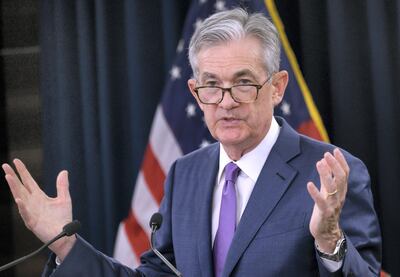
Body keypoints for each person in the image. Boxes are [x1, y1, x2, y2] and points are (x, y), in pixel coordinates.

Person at [2, 8, 381, 277]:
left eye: (244, 83)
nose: (226, 101)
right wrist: (64, 243)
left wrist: (330, 240)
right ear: (195, 92)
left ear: (277, 87)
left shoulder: (331, 173)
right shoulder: (185, 174)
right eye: (212, 85)